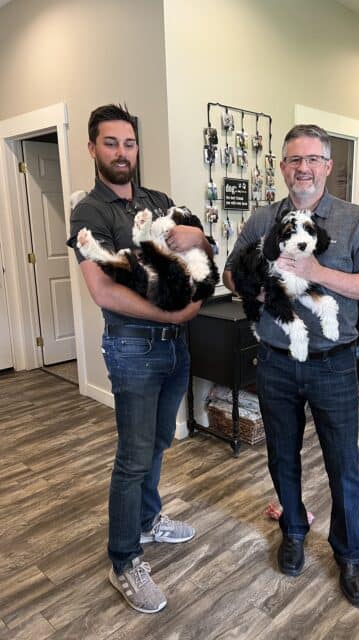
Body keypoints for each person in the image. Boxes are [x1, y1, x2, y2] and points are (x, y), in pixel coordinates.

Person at [223, 124, 359, 609]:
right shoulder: (262, 221)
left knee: (344, 464)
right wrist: (253, 289)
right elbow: (233, 271)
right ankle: (292, 530)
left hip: (334, 365)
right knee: (281, 454)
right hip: (275, 361)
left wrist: (316, 273)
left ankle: (349, 554)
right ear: (282, 166)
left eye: (313, 159)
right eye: (294, 160)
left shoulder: (357, 220)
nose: (303, 169)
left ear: (328, 166)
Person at [67, 104, 212, 614]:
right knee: (132, 457)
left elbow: (197, 246)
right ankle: (124, 559)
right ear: (93, 149)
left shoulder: (159, 200)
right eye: (111, 143)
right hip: (133, 346)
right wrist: (171, 317)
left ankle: (149, 521)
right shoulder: (90, 212)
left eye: (128, 143)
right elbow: (103, 292)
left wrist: (199, 236)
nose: (122, 153)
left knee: (158, 443)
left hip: (175, 348)